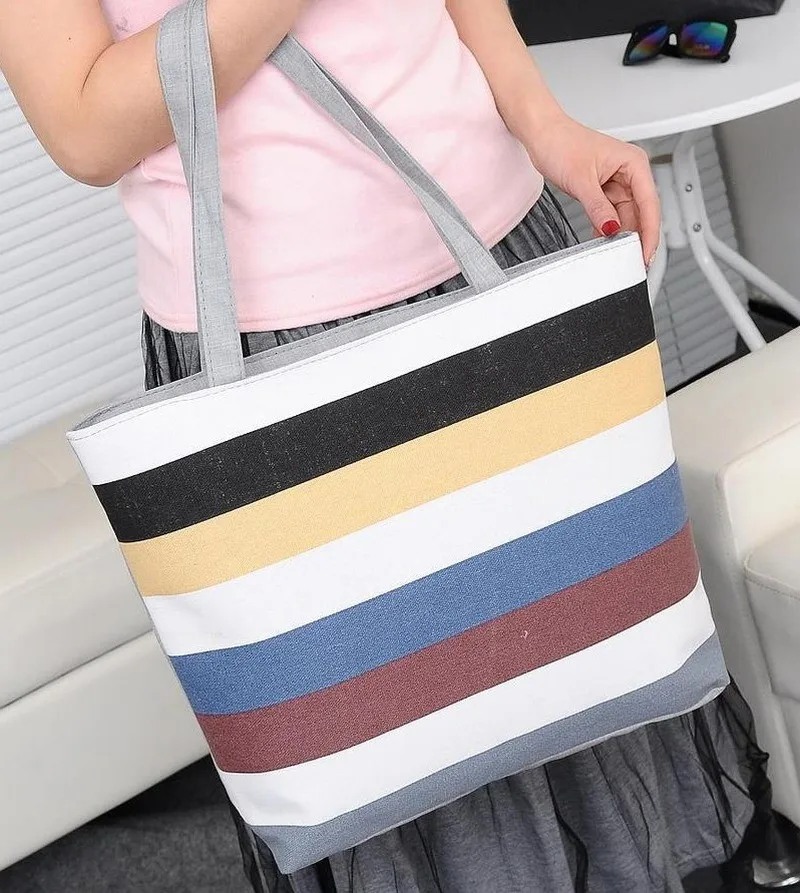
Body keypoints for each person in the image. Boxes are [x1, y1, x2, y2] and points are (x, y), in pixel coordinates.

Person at [0, 2, 774, 891]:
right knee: (394, 763)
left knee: (597, 680)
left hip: (498, 249)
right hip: (274, 353)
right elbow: (85, 126)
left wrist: (543, 124)